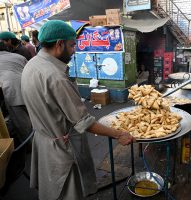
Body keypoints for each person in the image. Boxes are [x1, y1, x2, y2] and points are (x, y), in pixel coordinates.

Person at [21, 20, 135, 200]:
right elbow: (85, 122)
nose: (75, 51)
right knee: (68, 192)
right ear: (59, 44)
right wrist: (118, 134)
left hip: (44, 140)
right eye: (72, 45)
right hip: (61, 149)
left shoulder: (31, 65)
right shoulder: (55, 76)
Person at [0, 41, 32, 186]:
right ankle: (36, 138)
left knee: (21, 123)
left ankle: (31, 146)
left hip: (12, 92)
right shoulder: (17, 57)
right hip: (29, 88)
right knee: (32, 117)